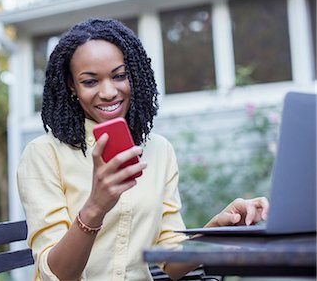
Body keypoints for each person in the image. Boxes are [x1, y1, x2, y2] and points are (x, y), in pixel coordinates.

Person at [17, 18, 269, 281]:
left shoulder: (159, 151)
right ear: (72, 86)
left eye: (119, 76)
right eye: (90, 81)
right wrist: (96, 206)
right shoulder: (43, 154)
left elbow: (171, 262)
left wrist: (219, 228)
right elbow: (55, 275)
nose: (108, 92)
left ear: (133, 76)